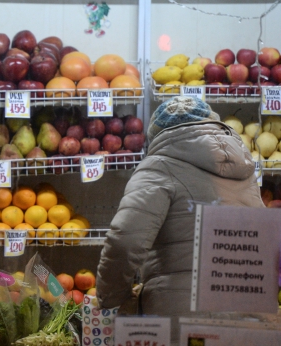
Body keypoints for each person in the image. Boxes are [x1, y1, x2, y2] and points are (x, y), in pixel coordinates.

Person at [96, 96, 264, 339]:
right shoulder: (244, 168)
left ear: (157, 135)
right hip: (250, 311)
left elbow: (125, 241)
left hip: (186, 318)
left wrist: (112, 296)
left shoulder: (157, 167)